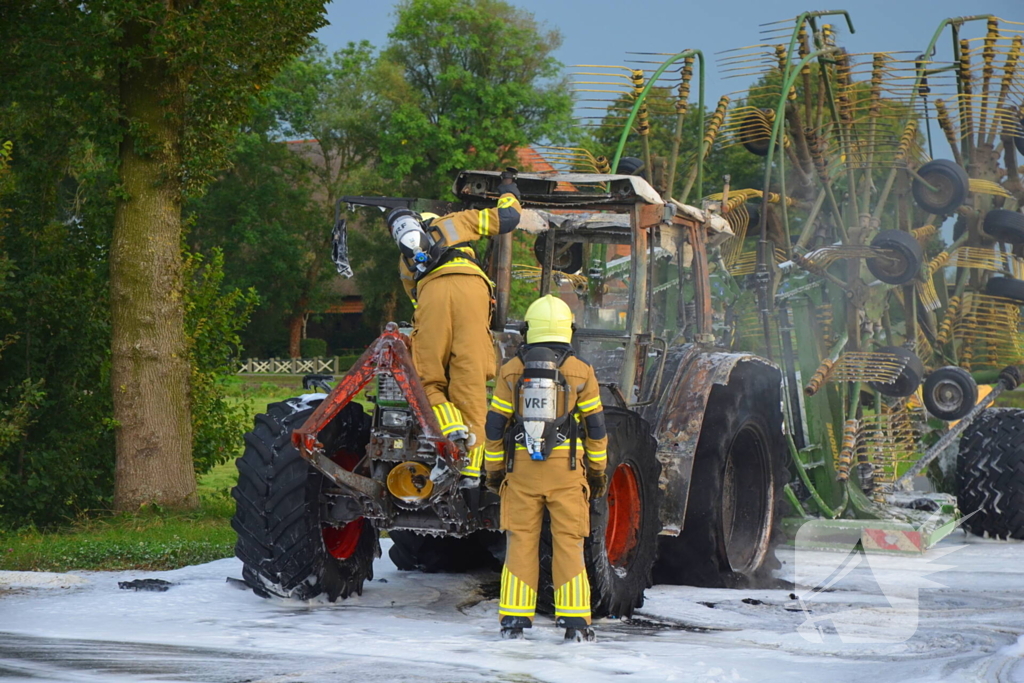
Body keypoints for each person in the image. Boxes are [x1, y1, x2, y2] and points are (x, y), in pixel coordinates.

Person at [482, 294, 609, 642]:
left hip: (521, 469)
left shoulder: (510, 371)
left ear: (529, 330)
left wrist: (494, 472)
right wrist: (596, 472)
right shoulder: (581, 372)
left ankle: (514, 622)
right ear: (568, 330)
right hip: (566, 472)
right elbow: (596, 430)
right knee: (568, 542)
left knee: (521, 541)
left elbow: (494, 429)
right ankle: (575, 625)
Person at [386, 171, 521, 479]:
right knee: (471, 386)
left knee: (425, 381)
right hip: (474, 293)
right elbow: (509, 217)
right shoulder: (459, 222)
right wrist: (509, 188)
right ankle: (472, 475)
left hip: (432, 295)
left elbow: (416, 301)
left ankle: (450, 427)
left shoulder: (406, 259)